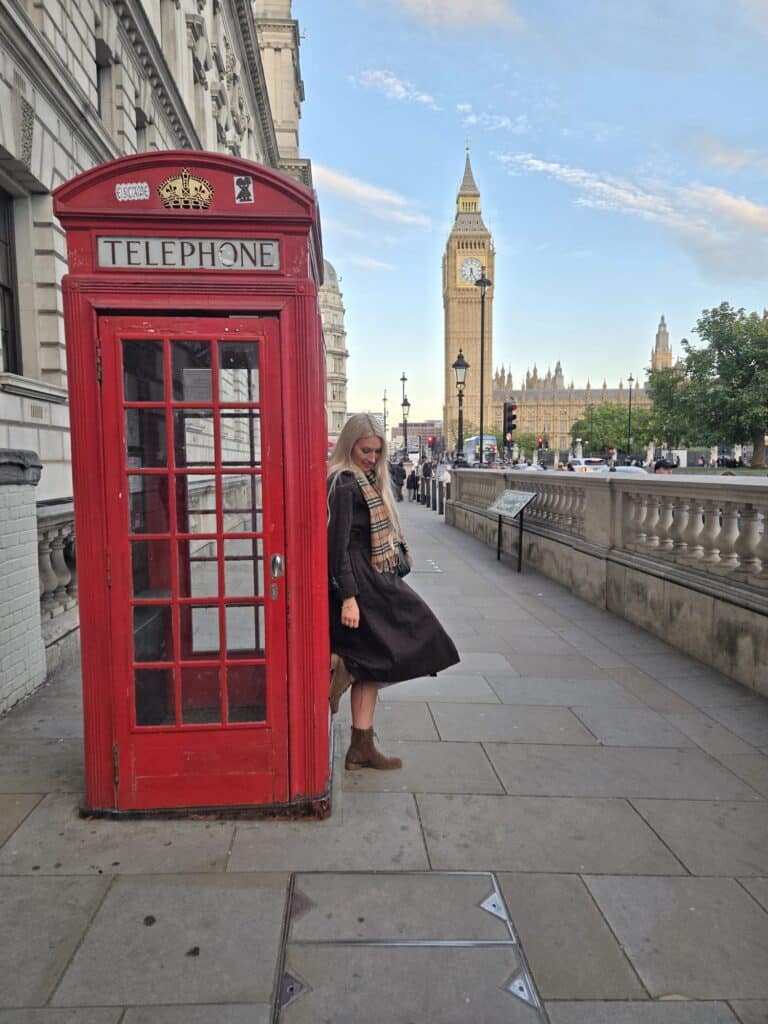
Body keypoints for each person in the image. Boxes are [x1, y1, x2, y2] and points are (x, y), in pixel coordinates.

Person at [327, 414, 460, 770]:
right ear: (349, 445)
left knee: (372, 663)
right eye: (365, 449)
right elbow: (335, 549)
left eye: (376, 451)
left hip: (372, 573)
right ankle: (345, 665)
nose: (371, 457)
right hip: (360, 581)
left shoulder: (367, 480)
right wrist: (349, 598)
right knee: (420, 629)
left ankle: (361, 746)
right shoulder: (344, 484)